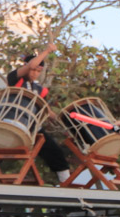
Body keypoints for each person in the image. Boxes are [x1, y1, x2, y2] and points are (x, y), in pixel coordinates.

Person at [6, 45, 71, 184]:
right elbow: (32, 64)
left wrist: (62, 120)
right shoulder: (15, 79)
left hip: (31, 127)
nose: (35, 72)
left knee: (54, 150)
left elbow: (45, 110)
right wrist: (47, 50)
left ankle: (66, 182)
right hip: (12, 122)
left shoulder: (39, 89)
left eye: (38, 71)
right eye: (33, 70)